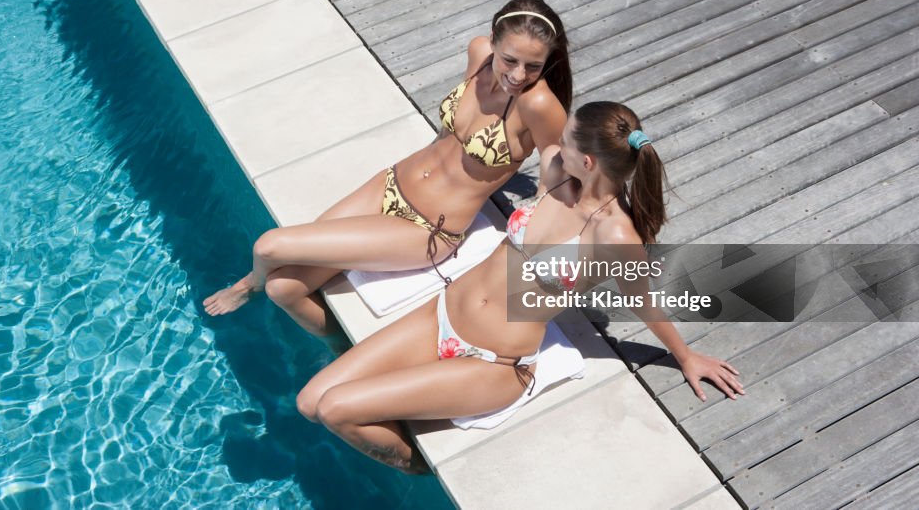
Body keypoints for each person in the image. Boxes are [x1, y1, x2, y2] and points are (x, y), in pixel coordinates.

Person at [295, 102, 745, 472]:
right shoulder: (557, 176)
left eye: (567, 141)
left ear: (588, 162)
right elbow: (530, 109)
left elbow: (641, 301)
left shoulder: (615, 236)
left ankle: (416, 469)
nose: (557, 145)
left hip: (493, 362)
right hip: (443, 313)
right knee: (310, 402)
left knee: (337, 410)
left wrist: (684, 357)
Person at [203, 0, 574, 336]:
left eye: (533, 66)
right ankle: (337, 346)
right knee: (284, 288)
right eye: (510, 59)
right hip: (391, 182)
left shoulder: (537, 104)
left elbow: (554, 159)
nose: (518, 75)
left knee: (270, 247)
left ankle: (245, 287)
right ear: (493, 41)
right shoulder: (478, 53)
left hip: (427, 228)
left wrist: (539, 202)